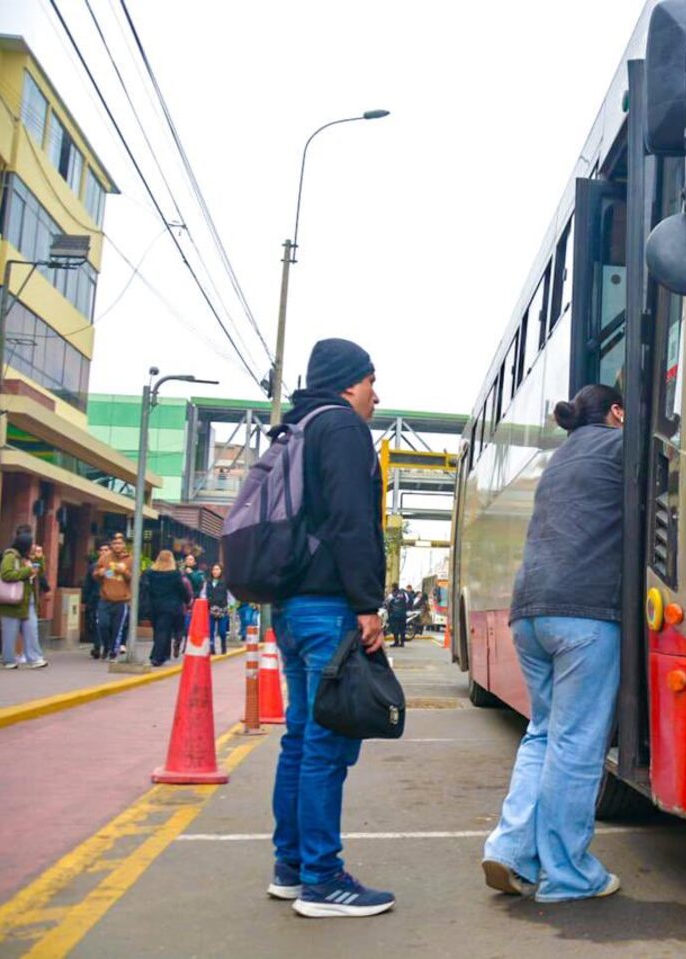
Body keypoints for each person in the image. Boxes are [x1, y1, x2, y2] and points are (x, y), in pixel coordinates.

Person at [262, 338, 394, 918]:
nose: (375, 394)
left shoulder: (295, 428)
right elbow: (350, 521)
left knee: (300, 740)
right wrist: (367, 604)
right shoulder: (341, 427)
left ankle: (290, 868)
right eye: (370, 381)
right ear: (348, 383)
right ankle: (322, 880)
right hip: (327, 607)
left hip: (290, 606)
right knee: (325, 745)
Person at [482, 383, 625, 903]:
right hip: (583, 614)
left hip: (528, 612)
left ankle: (510, 849)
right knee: (576, 743)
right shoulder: (619, 444)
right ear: (616, 412)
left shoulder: (558, 459)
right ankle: (567, 875)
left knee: (542, 733)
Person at [1, 526, 48, 669]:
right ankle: (9, 660)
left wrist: (40, 560)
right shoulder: (10, 556)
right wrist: (28, 570)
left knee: (32, 630)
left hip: (28, 600)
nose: (33, 547)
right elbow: (6, 574)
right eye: (31, 544)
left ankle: (34, 658)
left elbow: (39, 573)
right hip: (12, 601)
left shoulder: (27, 558)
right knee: (10, 633)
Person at [143, 551, 192, 667]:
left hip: (153, 606)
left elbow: (145, 588)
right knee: (163, 631)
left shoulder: (149, 573)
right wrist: (188, 600)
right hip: (169, 607)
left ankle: (163, 654)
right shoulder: (174, 574)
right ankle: (157, 657)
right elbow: (182, 590)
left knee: (158, 631)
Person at [95, 537, 133, 661]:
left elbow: (134, 578)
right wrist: (99, 573)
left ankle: (113, 650)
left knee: (117, 628)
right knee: (103, 624)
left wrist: (124, 572)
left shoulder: (130, 559)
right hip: (105, 598)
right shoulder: (105, 558)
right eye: (115, 543)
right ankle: (106, 646)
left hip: (121, 600)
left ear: (124, 545)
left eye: (120, 543)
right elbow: (96, 575)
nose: (117, 545)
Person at [82, 547, 103, 657]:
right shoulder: (93, 567)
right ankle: (97, 645)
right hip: (95, 598)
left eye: (106, 550)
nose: (104, 552)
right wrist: (85, 599)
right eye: (102, 550)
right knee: (96, 622)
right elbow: (88, 584)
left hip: (109, 598)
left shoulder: (113, 566)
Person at [207, 564, 231, 655]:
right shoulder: (208, 582)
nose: (215, 571)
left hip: (223, 610)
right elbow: (203, 594)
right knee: (210, 631)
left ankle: (223, 646)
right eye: (214, 569)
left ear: (221, 571)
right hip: (210, 609)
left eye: (217, 569)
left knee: (222, 631)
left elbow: (230, 596)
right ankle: (211, 647)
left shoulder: (225, 582)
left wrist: (230, 606)